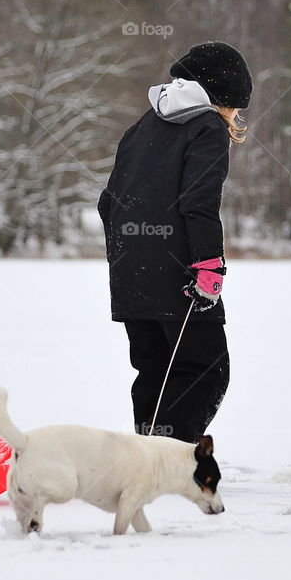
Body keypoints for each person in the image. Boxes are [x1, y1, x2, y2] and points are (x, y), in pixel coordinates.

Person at [97, 41, 252, 443]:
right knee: (206, 368)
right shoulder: (207, 127)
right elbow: (198, 202)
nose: (235, 116)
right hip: (179, 275)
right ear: (224, 97)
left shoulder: (141, 127)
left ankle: (145, 461)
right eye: (236, 107)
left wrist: (127, 262)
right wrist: (208, 264)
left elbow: (107, 204)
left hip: (131, 274)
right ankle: (170, 461)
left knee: (155, 370)